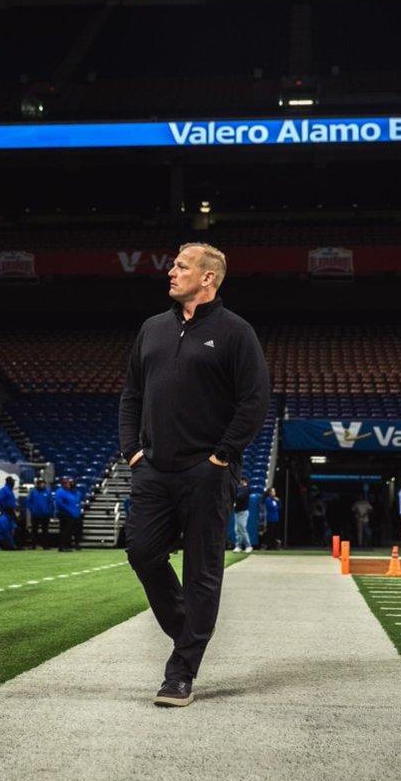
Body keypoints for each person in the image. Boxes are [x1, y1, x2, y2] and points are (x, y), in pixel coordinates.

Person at [119, 241, 270, 708]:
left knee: (202, 571)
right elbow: (131, 394)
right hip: (153, 469)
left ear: (208, 278)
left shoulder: (235, 332)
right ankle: (191, 632)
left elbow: (254, 400)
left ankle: (180, 671)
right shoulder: (152, 329)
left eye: (182, 266)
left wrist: (221, 457)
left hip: (206, 472)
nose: (171, 272)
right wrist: (132, 452)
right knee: (142, 552)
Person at [54, 475, 81, 551]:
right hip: (65, 514)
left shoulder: (70, 492)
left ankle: (67, 546)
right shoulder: (60, 492)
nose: (69, 485)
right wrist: (69, 510)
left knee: (68, 531)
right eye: (68, 483)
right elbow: (60, 503)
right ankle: (62, 546)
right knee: (64, 531)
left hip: (71, 514)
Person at [26, 478, 53, 549]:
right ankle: (33, 545)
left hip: (45, 515)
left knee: (45, 530)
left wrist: (48, 510)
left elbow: (51, 502)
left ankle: (45, 545)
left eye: (43, 483)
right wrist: (33, 510)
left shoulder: (48, 492)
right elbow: (28, 502)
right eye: (40, 483)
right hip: (35, 515)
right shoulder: (33, 492)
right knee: (34, 530)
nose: (42, 484)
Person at [232, 476, 251, 552]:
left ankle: (248, 545)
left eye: (243, 481)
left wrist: (235, 499)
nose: (241, 482)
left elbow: (240, 497)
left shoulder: (246, 489)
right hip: (237, 512)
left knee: (242, 528)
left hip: (243, 512)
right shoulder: (238, 489)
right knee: (237, 529)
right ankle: (238, 546)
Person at [262, 485, 282, 550]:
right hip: (270, 518)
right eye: (273, 491)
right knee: (270, 533)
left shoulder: (275, 500)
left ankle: (274, 545)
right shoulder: (268, 499)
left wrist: (278, 501)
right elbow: (272, 508)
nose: (274, 492)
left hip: (276, 518)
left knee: (274, 533)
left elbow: (279, 507)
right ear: (270, 492)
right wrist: (276, 506)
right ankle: (268, 545)